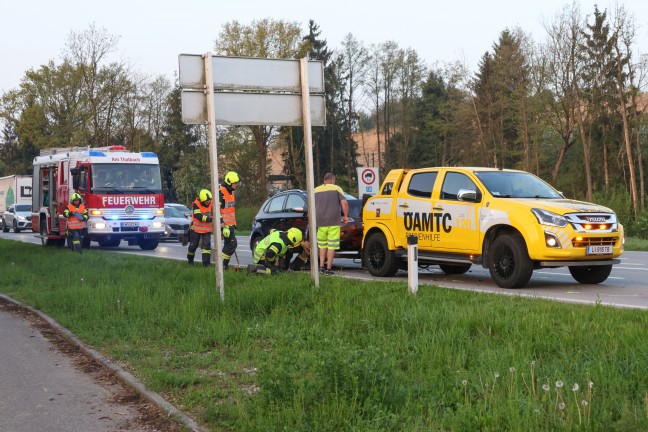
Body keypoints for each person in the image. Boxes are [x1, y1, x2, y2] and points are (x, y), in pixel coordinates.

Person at [314, 173, 348, 275]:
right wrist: (345, 216)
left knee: (322, 245)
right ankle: (328, 269)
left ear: (325, 180)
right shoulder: (336, 188)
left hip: (320, 222)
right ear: (333, 180)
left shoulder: (316, 190)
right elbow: (344, 203)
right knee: (331, 246)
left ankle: (321, 267)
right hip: (333, 221)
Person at [187, 189, 214, 266]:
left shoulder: (212, 203)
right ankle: (190, 261)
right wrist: (209, 219)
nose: (208, 202)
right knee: (193, 246)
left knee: (206, 246)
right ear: (202, 200)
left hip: (207, 229)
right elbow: (197, 216)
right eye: (206, 201)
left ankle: (206, 264)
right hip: (196, 229)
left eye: (209, 200)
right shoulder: (196, 204)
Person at [219, 171, 239, 269]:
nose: (236, 185)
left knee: (229, 244)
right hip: (224, 225)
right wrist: (221, 223)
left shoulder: (231, 192)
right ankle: (222, 264)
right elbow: (216, 210)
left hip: (230, 225)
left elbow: (230, 209)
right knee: (232, 243)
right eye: (235, 183)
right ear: (229, 182)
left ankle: (223, 266)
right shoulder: (221, 192)